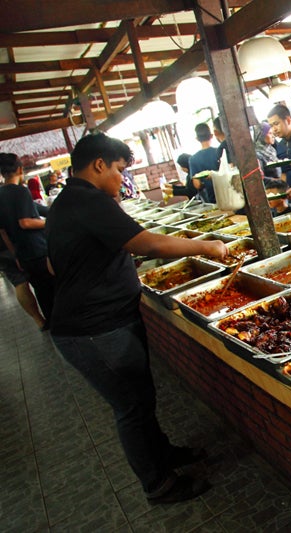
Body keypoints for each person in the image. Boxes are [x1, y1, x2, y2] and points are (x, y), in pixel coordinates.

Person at [46, 133, 228, 504]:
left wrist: (113, 263)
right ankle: (158, 484)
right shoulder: (88, 200)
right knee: (130, 408)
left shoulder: (67, 201)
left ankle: (162, 455)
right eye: (118, 170)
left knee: (141, 400)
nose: (120, 178)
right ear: (99, 164)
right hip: (95, 330)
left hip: (95, 324)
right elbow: (150, 243)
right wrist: (207, 246)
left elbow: (57, 264)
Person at [0, 152, 55, 326]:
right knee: (53, 287)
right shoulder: (21, 191)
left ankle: (53, 325)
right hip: (37, 249)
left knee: (41, 290)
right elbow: (25, 222)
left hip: (22, 253)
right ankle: (65, 325)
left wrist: (15, 255)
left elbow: (2, 231)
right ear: (19, 169)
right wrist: (51, 224)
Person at [0, 231, 46, 329]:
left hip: (4, 251)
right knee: (25, 282)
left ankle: (39, 321)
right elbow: (3, 230)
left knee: (19, 282)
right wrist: (15, 254)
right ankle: (46, 316)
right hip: (12, 244)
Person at [189, 122, 219, 203]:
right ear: (211, 136)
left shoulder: (193, 159)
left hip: (211, 198)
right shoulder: (220, 151)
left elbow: (197, 184)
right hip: (228, 193)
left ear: (197, 139)